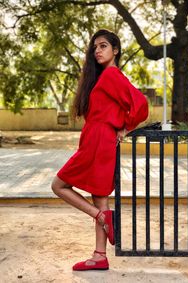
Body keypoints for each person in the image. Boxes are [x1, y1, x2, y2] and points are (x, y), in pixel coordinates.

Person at [51, 29, 148, 271]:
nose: (97, 51)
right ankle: (99, 255)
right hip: (99, 139)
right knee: (99, 196)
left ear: (115, 50)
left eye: (103, 46)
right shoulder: (104, 76)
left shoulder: (112, 75)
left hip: (98, 139)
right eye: (95, 47)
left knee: (58, 185)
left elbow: (141, 105)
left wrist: (125, 128)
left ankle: (100, 217)